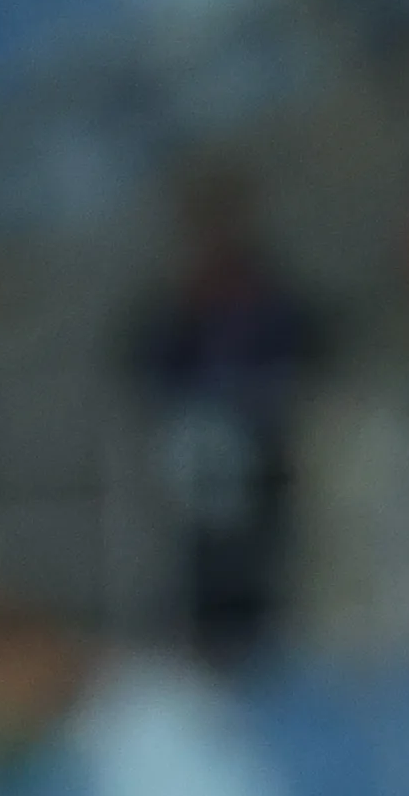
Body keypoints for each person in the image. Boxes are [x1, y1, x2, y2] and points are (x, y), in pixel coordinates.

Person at [126, 167, 330, 665]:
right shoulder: (176, 315)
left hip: (271, 455)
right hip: (203, 469)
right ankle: (207, 620)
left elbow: (307, 361)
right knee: (202, 448)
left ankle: (261, 616)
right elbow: (148, 371)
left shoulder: (277, 305)